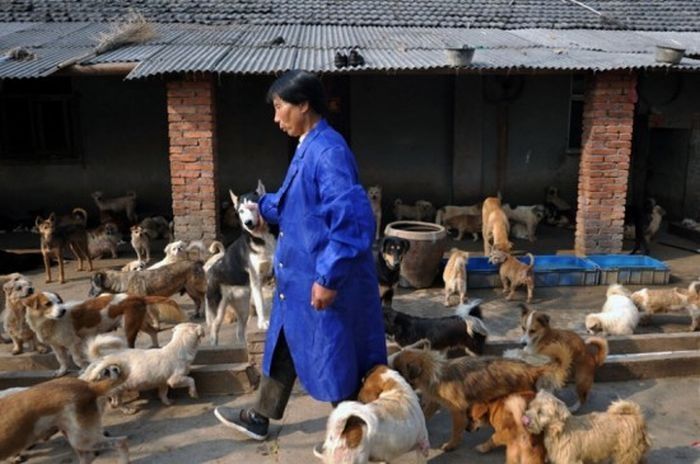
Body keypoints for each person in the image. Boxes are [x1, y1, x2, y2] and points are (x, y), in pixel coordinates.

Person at [214, 70, 387, 450]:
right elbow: (295, 202)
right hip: (299, 280)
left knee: (337, 360)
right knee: (286, 342)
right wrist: (262, 208)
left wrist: (328, 278)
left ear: (304, 104)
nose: (276, 118)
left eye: (279, 107)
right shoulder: (308, 145)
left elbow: (352, 222)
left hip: (323, 280)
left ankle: (350, 436)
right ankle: (261, 416)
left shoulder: (329, 152)